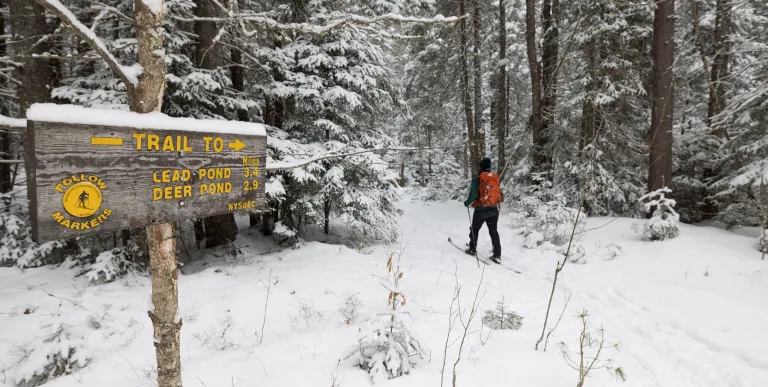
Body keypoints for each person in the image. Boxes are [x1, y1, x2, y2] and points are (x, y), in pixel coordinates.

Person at [463, 157, 502, 263]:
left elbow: (472, 195)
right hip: (494, 209)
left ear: (481, 166)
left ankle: (472, 248)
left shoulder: (478, 179)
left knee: (474, 229)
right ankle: (497, 255)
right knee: (493, 231)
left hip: (481, 210)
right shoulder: (494, 178)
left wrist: (467, 203)